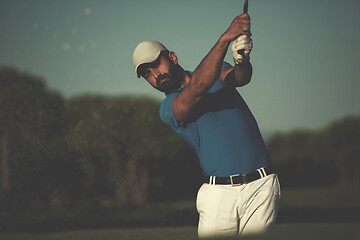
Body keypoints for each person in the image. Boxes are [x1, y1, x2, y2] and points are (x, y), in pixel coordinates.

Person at [132, 13, 280, 239]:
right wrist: (224, 39)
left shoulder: (218, 70)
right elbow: (199, 86)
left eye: (155, 65)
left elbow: (241, 77)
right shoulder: (169, 108)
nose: (155, 75)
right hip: (217, 195)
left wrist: (243, 59)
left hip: (261, 186)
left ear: (172, 57)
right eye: (147, 74)